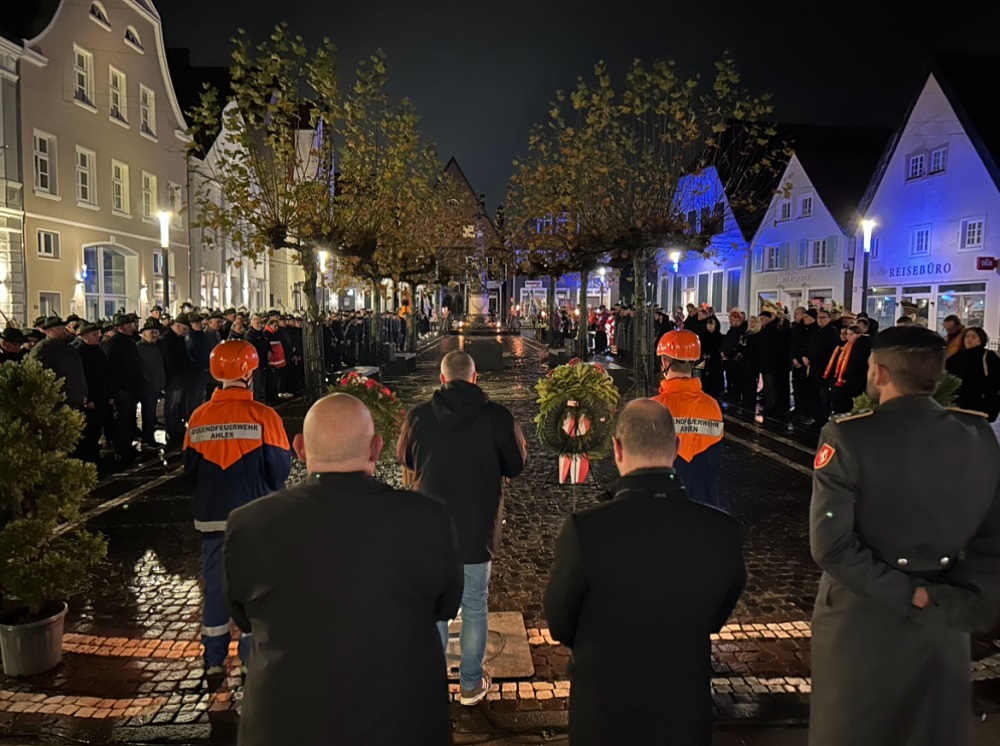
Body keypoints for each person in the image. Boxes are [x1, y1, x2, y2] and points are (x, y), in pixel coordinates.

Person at [226, 394, 461, 745]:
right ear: (376, 448)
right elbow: (446, 605)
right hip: (401, 722)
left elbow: (242, 617)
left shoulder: (248, 524)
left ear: (300, 449)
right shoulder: (428, 518)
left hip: (284, 725)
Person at [808, 325, 1000, 746]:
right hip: (945, 618)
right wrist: (963, 600)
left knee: (853, 731)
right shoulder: (978, 434)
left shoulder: (849, 435)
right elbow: (992, 540)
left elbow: (832, 545)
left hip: (861, 621)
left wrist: (910, 595)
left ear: (879, 373)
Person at [544, 399, 745, 746]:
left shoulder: (585, 531)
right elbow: (716, 615)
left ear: (617, 449)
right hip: (684, 713)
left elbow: (561, 622)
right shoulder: (721, 530)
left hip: (605, 714)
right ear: (676, 447)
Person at [396, 350, 528, 705]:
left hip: (430, 531)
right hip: (477, 529)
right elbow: (516, 464)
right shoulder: (497, 417)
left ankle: (432, 684)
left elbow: (404, 457)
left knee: (435, 608)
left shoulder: (419, 416)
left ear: (442, 379)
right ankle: (470, 683)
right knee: (474, 605)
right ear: (475, 377)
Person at [183, 340, 292, 677]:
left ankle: (214, 659)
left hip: (211, 519)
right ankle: (251, 656)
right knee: (255, 589)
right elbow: (280, 469)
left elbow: (190, 472)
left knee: (215, 587)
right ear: (248, 374)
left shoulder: (198, 417)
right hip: (255, 519)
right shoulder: (265, 417)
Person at [652, 330, 725, 509]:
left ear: (664, 362)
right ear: (694, 362)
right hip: (705, 507)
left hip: (665, 507)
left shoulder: (654, 407)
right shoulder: (712, 406)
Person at [102, 314, 145, 463]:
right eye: (128, 325)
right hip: (122, 388)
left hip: (132, 386)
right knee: (122, 419)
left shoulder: (129, 342)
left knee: (129, 417)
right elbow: (109, 369)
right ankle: (122, 447)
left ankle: (127, 445)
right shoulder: (113, 344)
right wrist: (113, 390)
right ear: (120, 327)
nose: (132, 327)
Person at [28, 317, 87, 410]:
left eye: (63, 328)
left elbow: (78, 371)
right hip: (56, 402)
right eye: (58, 329)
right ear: (48, 331)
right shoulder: (42, 349)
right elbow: (36, 375)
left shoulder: (69, 348)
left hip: (74, 400)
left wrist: (84, 391)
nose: (63, 331)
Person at [946, 327, 1000, 421]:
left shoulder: (987, 356)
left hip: (981, 403)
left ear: (980, 340)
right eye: (967, 336)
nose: (969, 339)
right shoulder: (957, 357)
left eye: (973, 337)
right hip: (959, 402)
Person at [807, 309, 840, 427]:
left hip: (824, 368)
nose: (820, 320)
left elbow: (830, 350)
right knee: (816, 393)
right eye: (818, 317)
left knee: (824, 395)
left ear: (829, 319)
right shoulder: (817, 331)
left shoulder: (832, 332)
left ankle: (823, 418)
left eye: (823, 318)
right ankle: (817, 417)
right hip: (814, 366)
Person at [137, 320, 166, 448]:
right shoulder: (139, 347)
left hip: (155, 385)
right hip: (147, 387)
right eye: (151, 332)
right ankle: (148, 439)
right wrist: (147, 381)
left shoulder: (155, 346)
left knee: (151, 414)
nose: (154, 335)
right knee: (148, 414)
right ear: (143, 334)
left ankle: (149, 438)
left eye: (156, 332)